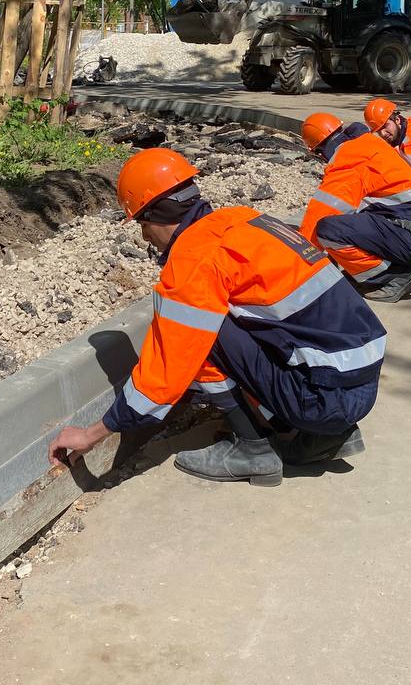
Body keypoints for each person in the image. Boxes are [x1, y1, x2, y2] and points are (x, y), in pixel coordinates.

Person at [46, 148, 387, 487]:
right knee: (220, 319)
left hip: (325, 400)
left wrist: (93, 433)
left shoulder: (194, 259)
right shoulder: (243, 220)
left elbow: (163, 376)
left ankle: (253, 448)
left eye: (142, 226)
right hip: (361, 383)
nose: (145, 238)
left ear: (151, 215)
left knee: (200, 331)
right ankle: (325, 436)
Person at [298, 113, 411, 303]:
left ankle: (393, 277)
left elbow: (322, 212)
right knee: (350, 217)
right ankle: (390, 268)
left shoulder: (350, 156)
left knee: (328, 230)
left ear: (319, 151)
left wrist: (300, 259)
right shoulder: (366, 144)